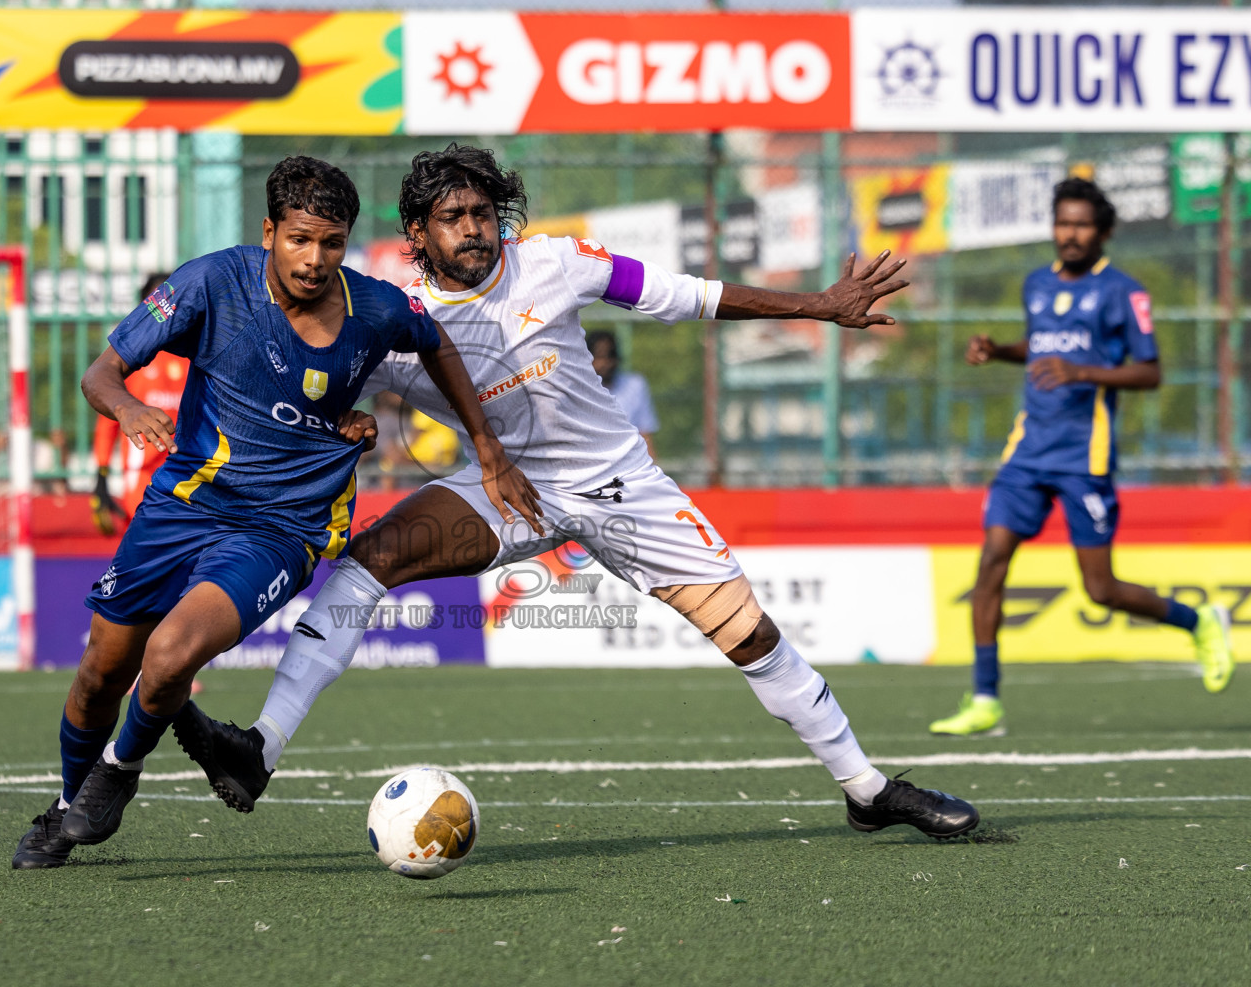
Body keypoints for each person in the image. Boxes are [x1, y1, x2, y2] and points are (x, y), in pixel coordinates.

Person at [173, 143, 979, 840]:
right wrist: (340, 424)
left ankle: (867, 792)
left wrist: (820, 305)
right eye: (453, 217)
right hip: (513, 491)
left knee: (753, 638)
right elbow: (322, 391)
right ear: (418, 235)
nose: (474, 229)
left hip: (623, 484)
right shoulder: (395, 323)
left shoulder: (557, 262)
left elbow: (686, 295)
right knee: (365, 564)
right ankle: (261, 750)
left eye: (484, 212)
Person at [11, 155, 541, 869]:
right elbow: (100, 372)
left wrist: (486, 444)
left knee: (168, 656)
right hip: (183, 505)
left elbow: (436, 341)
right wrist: (131, 407)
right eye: (299, 239)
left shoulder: (376, 308)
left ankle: (119, 773)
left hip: (281, 531)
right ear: (270, 232)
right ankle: (72, 805)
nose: (315, 258)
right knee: (101, 673)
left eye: (331, 242)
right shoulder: (210, 283)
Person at [930, 177, 1234, 737]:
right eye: (1062, 223)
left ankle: (1198, 622)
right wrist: (1001, 352)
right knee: (992, 559)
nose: (1070, 234)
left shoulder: (1123, 292)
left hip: (1083, 457)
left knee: (1101, 589)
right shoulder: (1036, 284)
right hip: (1027, 452)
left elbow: (1150, 371)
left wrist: (1084, 372)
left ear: (1104, 232)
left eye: (1082, 225)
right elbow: (1043, 345)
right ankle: (984, 697)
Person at [90, 273, 189, 534]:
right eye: (157, 302)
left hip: (189, 473)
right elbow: (109, 418)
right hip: (142, 476)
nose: (165, 309)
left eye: (171, 300)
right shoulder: (131, 359)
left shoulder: (198, 357)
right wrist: (101, 475)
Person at [586, 329, 658, 456]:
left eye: (611, 356)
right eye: (600, 356)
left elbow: (645, 433)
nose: (606, 363)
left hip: (630, 462)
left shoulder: (635, 385)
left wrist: (653, 465)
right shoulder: (581, 389)